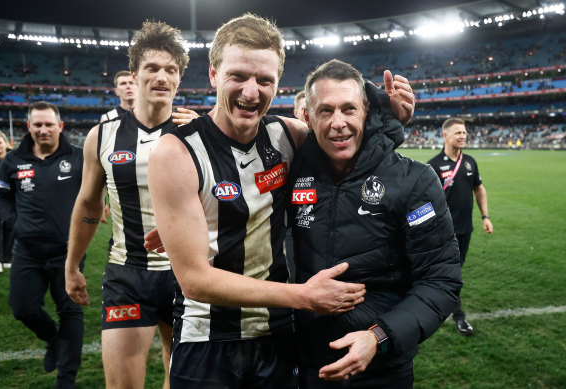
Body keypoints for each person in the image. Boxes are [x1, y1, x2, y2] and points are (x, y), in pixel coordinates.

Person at [145, 13, 414, 388]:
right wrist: (304, 296)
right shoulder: (175, 153)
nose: (251, 92)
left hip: (278, 338)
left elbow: (347, 151)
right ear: (213, 74)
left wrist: (392, 122)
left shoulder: (287, 135)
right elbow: (194, 280)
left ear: (277, 84)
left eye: (264, 80)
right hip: (209, 341)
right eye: (238, 76)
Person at [286, 59, 462, 388]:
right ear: (307, 117)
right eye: (325, 111)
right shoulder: (294, 172)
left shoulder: (414, 181)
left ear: (367, 112)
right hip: (305, 365)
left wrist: (377, 337)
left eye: (349, 109)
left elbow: (441, 281)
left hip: (381, 369)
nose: (338, 122)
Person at [65, 21, 192, 389]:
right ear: (134, 75)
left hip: (189, 275)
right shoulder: (102, 135)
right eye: (152, 68)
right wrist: (73, 265)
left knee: (183, 381)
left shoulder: (195, 133)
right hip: (127, 274)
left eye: (171, 70)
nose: (162, 76)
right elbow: (88, 204)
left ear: (179, 79)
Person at [0, 102, 85, 388]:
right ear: (29, 127)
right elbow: (2, 197)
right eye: (38, 125)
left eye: (49, 124)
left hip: (68, 251)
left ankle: (66, 378)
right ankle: (53, 338)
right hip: (27, 250)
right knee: (22, 308)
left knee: (70, 311)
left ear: (60, 127)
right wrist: (16, 223)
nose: (43, 129)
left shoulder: (79, 158)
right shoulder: (11, 161)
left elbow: (97, 189)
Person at [428, 117, 493, 336]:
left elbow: (479, 189)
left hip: (466, 230)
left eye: (464, 132)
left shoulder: (470, 162)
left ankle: (438, 305)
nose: (463, 136)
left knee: (454, 272)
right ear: (445, 136)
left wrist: (485, 216)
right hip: (444, 234)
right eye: (458, 133)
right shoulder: (433, 166)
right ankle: (458, 316)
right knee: (452, 275)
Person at [0, 130, 13, 273]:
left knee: (10, 229)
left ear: (5, 143)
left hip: (9, 202)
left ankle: (8, 258)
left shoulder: (12, 160)